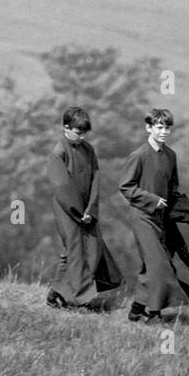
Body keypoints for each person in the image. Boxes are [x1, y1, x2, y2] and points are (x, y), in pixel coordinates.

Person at [118, 108, 189, 323]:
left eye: (167, 127)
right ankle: (154, 312)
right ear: (149, 128)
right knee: (158, 264)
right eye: (160, 127)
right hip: (142, 216)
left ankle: (136, 309)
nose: (164, 132)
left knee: (152, 265)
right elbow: (126, 187)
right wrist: (153, 200)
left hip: (162, 218)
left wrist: (183, 210)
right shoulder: (139, 155)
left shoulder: (170, 155)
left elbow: (173, 187)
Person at [46, 106, 124, 311]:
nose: (81, 137)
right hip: (67, 210)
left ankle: (56, 293)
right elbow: (62, 187)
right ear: (66, 127)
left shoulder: (88, 150)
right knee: (75, 249)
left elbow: (96, 178)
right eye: (78, 132)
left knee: (90, 248)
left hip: (88, 210)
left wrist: (91, 209)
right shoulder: (58, 152)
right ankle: (78, 298)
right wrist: (79, 213)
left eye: (84, 133)